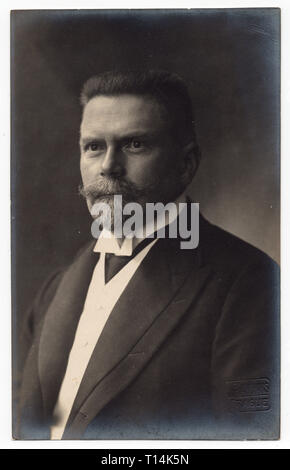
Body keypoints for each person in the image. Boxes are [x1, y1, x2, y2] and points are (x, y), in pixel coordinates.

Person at [15, 70, 280, 440]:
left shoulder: (249, 284)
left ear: (186, 164)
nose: (108, 165)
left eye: (135, 144)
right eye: (93, 146)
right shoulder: (54, 291)